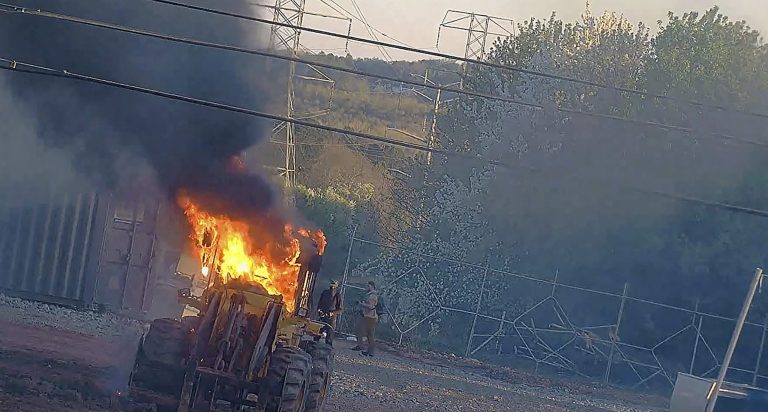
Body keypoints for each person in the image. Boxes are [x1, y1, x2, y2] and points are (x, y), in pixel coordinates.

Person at [352, 281, 378, 356]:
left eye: (368, 286)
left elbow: (371, 307)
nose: (366, 287)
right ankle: (363, 347)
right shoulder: (369, 295)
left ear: (371, 286)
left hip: (370, 317)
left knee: (368, 333)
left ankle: (369, 350)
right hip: (367, 316)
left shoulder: (372, 296)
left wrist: (361, 304)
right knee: (362, 331)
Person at [317, 280, 343, 345]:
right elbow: (320, 304)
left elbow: (340, 309)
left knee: (329, 336)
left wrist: (332, 313)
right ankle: (314, 346)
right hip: (323, 316)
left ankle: (328, 349)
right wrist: (319, 310)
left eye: (334, 286)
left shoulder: (337, 296)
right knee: (317, 334)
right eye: (332, 285)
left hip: (331, 319)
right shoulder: (325, 293)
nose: (332, 288)